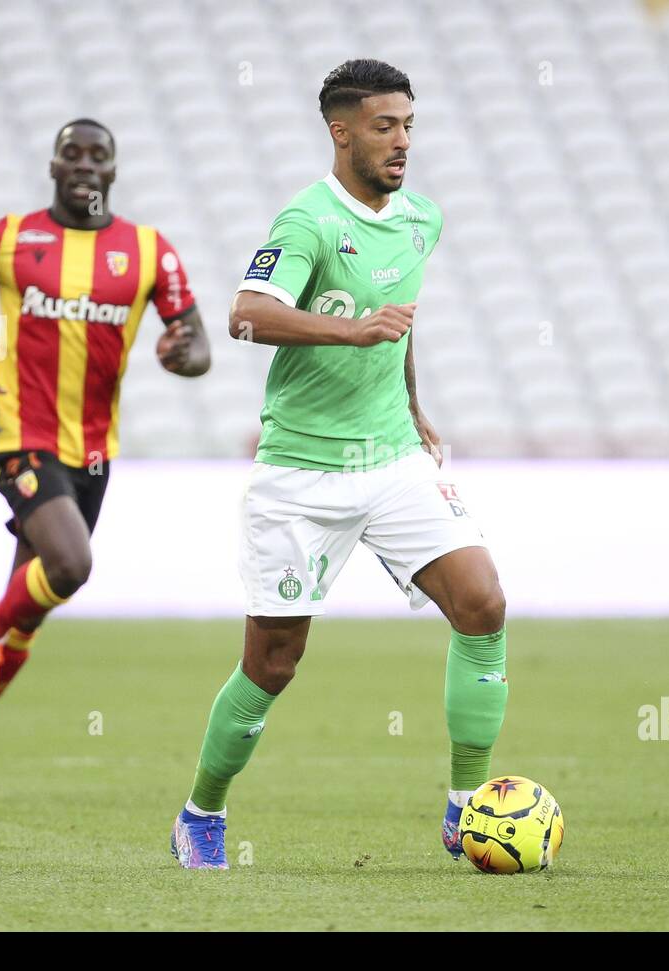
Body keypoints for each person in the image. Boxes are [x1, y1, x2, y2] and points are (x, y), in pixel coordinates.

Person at [170, 61, 507, 870]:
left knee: (483, 602)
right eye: (385, 126)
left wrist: (414, 405)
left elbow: (401, 321)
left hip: (391, 456)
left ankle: (466, 807)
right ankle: (200, 812)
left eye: (409, 126)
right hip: (302, 475)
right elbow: (248, 317)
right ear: (342, 130)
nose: (401, 142)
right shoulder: (309, 222)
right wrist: (351, 332)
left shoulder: (422, 218)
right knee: (274, 662)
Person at [0, 118, 211, 800]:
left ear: (112, 171)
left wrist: (184, 354)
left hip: (95, 452)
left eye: (97, 156)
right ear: (51, 166)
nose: (83, 164)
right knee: (70, 567)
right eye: (70, 153)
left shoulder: (147, 251)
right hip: (19, 431)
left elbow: (195, 342)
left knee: (31, 614)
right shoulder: (11, 237)